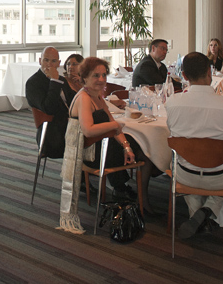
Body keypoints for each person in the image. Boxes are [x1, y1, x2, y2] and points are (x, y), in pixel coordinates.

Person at [58, 57, 153, 233]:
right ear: (85, 78)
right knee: (146, 150)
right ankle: (141, 200)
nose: (101, 79)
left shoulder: (98, 97)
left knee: (140, 146)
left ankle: (133, 194)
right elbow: (88, 130)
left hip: (102, 148)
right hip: (91, 154)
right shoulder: (84, 98)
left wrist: (126, 147)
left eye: (103, 75)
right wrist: (115, 126)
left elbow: (114, 127)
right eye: (96, 76)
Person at [165, 52, 223, 239]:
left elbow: (172, 131)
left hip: (186, 176)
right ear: (210, 72)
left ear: (184, 76)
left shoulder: (172, 103)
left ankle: (197, 215)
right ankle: (207, 212)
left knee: (176, 161)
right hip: (220, 178)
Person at [25, 47, 78, 159]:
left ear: (58, 63)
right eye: (46, 60)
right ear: (40, 61)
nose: (49, 64)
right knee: (94, 137)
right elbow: (49, 108)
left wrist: (82, 84)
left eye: (53, 61)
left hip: (71, 127)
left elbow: (75, 102)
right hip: (51, 135)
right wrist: (54, 81)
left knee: (100, 129)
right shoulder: (33, 83)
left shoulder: (62, 80)